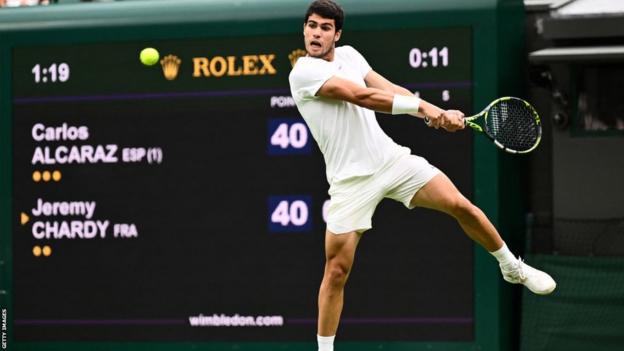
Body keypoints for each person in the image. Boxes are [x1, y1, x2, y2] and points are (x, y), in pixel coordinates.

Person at [288, 1, 557, 350]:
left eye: (325, 28)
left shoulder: (351, 56)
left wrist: (435, 114)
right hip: (349, 182)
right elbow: (363, 96)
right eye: (311, 25)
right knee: (336, 271)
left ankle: (511, 267)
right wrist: (425, 108)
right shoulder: (303, 72)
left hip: (390, 161)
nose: (315, 33)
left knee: (460, 205)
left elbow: (387, 88)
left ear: (337, 35)